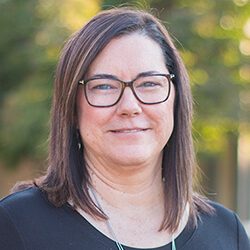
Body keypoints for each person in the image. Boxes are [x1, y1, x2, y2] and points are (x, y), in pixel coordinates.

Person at [0, 7, 249, 250]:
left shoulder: (227, 233)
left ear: (176, 99)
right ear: (72, 108)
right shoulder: (16, 226)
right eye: (104, 86)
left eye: (149, 83)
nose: (130, 106)